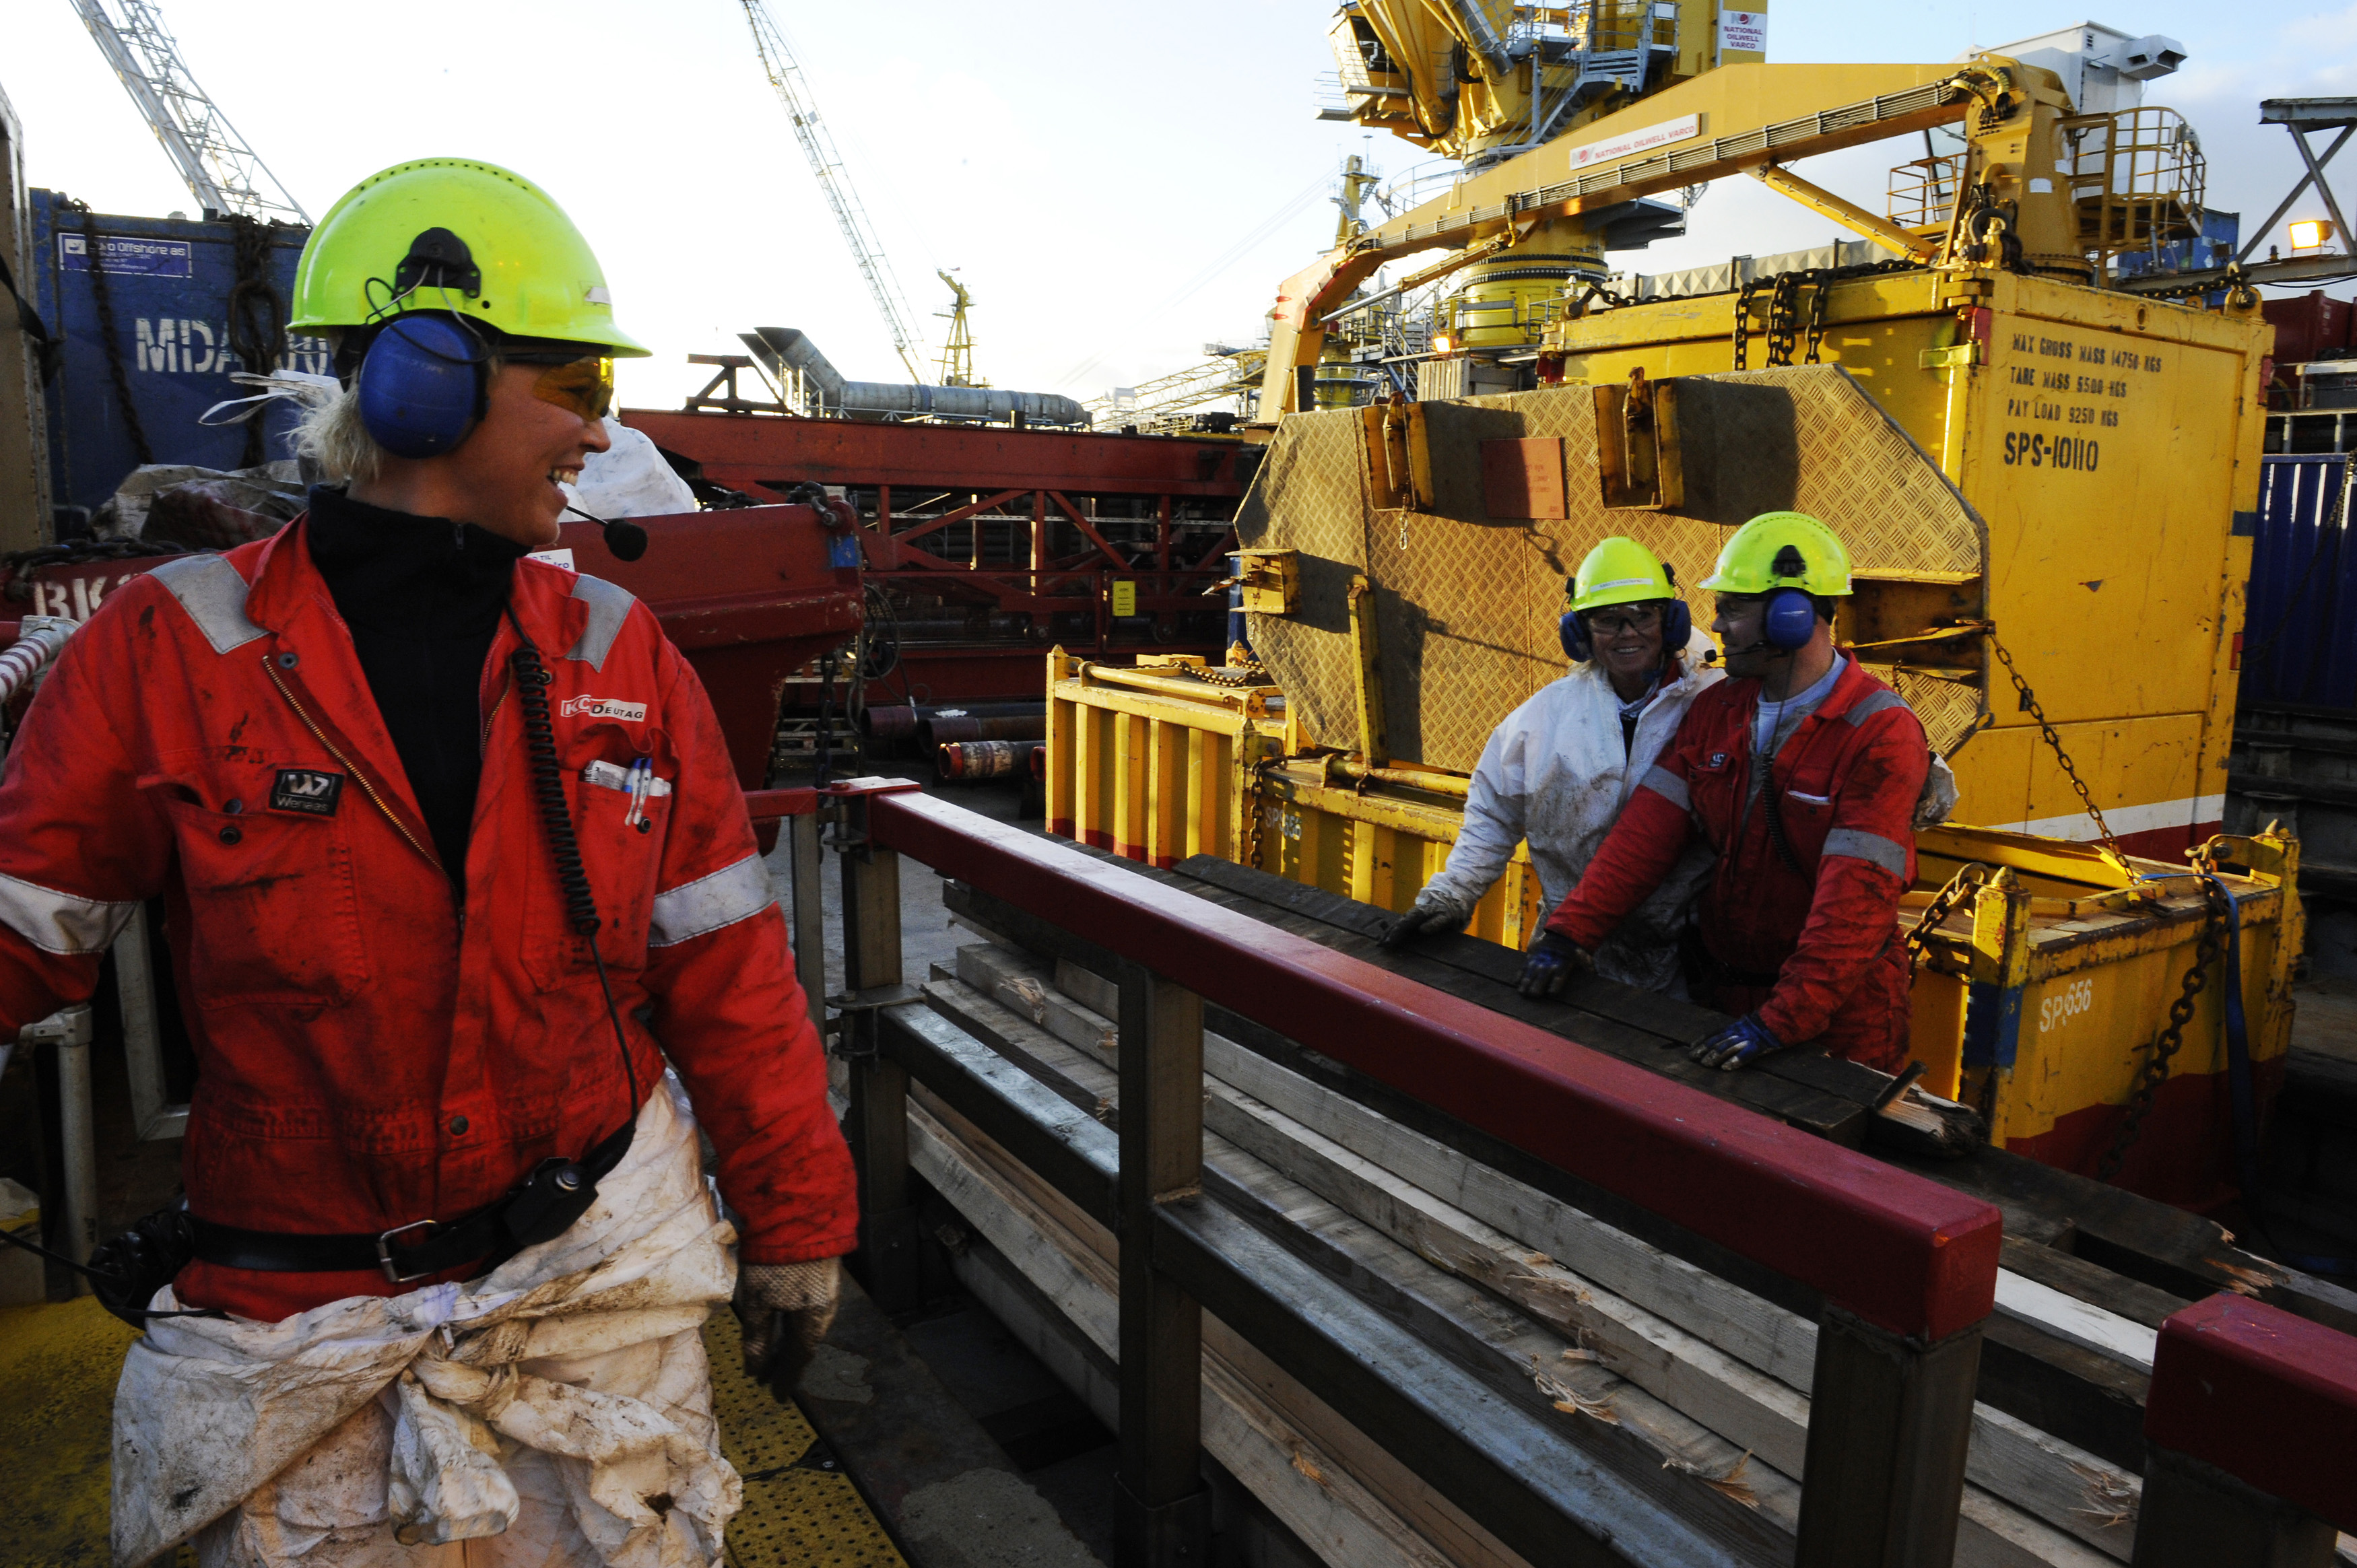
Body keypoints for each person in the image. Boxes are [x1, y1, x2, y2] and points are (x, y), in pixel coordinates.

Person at [0, 160, 854, 1564]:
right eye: (575, 387)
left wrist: (799, 1221)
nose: (601, 429)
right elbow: (21, 934)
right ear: (423, 382)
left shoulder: (614, 653)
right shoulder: (170, 649)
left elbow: (727, 971)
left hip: (592, 1286)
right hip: (295, 1325)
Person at [1519, 512, 1935, 1076]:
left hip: (1839, 1017)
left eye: (1732, 609)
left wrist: (1781, 1020)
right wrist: (1569, 934)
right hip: (1723, 995)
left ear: (1792, 616)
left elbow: (1854, 906)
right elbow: (1645, 836)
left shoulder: (1878, 732)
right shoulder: (1718, 711)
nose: (1715, 626)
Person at [1381, 537, 1720, 993]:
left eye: (1643, 613)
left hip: (1677, 952)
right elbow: (1493, 813)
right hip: (1564, 949)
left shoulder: (1712, 706)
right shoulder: (1546, 718)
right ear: (1578, 631)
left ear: (1671, 619)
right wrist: (1454, 892)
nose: (1627, 632)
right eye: (1606, 620)